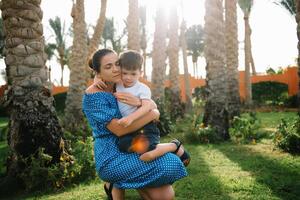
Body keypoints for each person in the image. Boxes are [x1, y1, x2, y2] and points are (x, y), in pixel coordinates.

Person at [83, 48, 189, 200]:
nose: (116, 69)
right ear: (98, 72)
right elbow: (119, 130)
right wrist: (153, 114)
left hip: (133, 143)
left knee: (165, 196)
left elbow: (150, 103)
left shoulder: (120, 84)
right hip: (111, 154)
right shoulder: (93, 96)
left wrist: (143, 104)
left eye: (117, 64)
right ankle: (113, 182)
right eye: (108, 67)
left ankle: (123, 182)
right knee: (171, 162)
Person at [113, 50, 190, 165]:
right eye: (125, 73)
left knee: (148, 151)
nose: (128, 77)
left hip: (146, 125)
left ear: (141, 72)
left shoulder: (142, 89)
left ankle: (173, 146)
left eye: (133, 74)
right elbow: (103, 78)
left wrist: (130, 118)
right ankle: (150, 151)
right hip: (131, 128)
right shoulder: (118, 84)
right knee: (122, 145)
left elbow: (146, 107)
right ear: (120, 71)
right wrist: (97, 80)